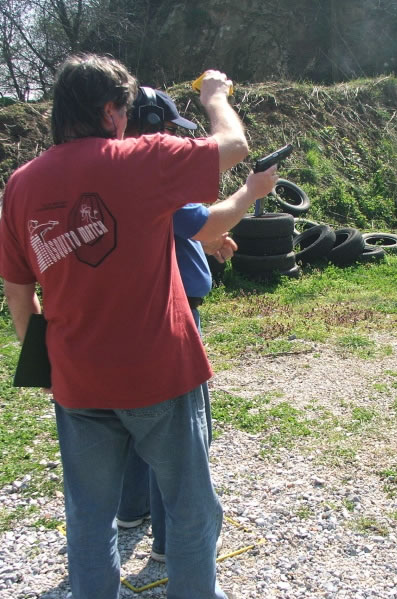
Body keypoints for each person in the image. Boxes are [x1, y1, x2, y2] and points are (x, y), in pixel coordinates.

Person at [0, 54, 276, 599]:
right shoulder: (142, 159)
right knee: (190, 509)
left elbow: (17, 290)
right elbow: (234, 146)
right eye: (122, 111)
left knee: (89, 517)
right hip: (160, 374)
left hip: (78, 382)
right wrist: (215, 95)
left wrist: (44, 366)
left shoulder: (22, 184)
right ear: (109, 112)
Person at [115, 87, 269, 563]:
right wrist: (251, 192)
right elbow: (200, 220)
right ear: (149, 126)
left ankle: (131, 510)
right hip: (171, 316)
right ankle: (172, 541)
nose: (173, 139)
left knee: (137, 421)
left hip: (131, 318)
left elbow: (172, 230)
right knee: (178, 434)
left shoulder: (111, 174)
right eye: (166, 128)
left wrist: (203, 242)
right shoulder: (150, 172)